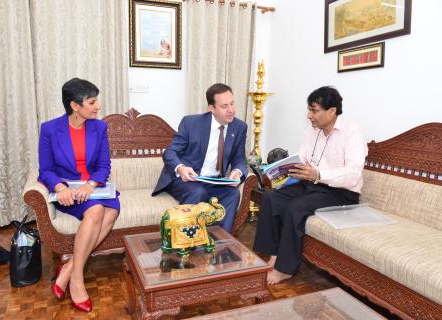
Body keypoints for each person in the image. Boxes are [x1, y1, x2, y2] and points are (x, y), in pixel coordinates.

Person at [253, 86, 368, 284]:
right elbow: (304, 157)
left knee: (294, 207)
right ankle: (274, 253)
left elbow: (353, 174)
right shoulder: (312, 131)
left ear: (331, 111)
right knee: (272, 197)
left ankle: (285, 269)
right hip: (313, 185)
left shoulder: (352, 132)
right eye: (309, 110)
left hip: (341, 193)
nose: (309, 115)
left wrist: (318, 174)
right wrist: (285, 170)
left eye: (314, 110)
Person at [38, 78, 120, 312]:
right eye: (92, 102)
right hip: (69, 192)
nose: (98, 106)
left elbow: (104, 165)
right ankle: (77, 280)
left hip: (94, 188)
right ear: (75, 105)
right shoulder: (50, 129)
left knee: (112, 208)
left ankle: (70, 270)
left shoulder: (99, 127)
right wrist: (61, 188)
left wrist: (91, 184)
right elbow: (45, 170)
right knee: (98, 210)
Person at [152, 83, 248, 232]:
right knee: (198, 192)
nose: (231, 110)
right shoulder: (191, 123)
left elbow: (240, 158)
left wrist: (237, 172)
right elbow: (170, 152)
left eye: (232, 104)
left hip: (214, 181)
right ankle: (187, 244)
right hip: (187, 179)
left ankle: (221, 243)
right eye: (224, 106)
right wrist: (181, 168)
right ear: (212, 108)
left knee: (233, 194)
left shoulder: (239, 127)